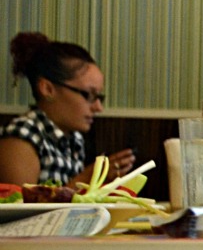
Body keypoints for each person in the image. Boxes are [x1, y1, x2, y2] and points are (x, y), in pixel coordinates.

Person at [1, 32, 134, 189]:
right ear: (48, 89)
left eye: (99, 97)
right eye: (88, 95)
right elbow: (17, 203)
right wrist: (85, 179)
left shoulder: (74, 138)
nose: (98, 107)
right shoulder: (22, 137)